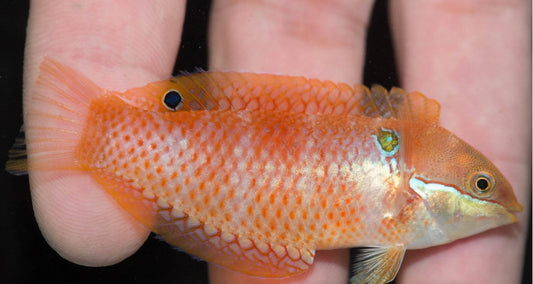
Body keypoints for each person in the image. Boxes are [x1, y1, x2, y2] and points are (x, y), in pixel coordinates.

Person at [23, 1, 530, 283]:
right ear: (417, 194)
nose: (492, 198)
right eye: (479, 185)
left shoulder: (411, 173)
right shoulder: (402, 197)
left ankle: (99, 136)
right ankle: (99, 135)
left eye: (482, 184)